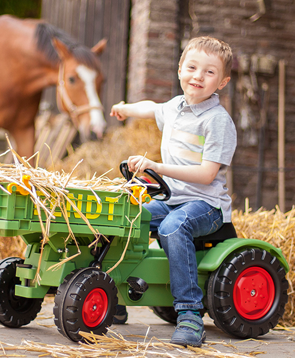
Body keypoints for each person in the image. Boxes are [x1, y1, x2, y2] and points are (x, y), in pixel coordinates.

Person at [109, 36, 236, 347]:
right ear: (180, 70)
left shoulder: (217, 121)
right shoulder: (175, 108)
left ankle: (190, 314)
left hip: (205, 205)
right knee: (126, 218)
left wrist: (157, 166)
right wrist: (125, 108)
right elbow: (151, 107)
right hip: (172, 199)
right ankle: (114, 297)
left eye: (209, 72)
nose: (198, 76)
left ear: (222, 82)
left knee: (173, 226)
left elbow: (207, 176)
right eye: (192, 67)